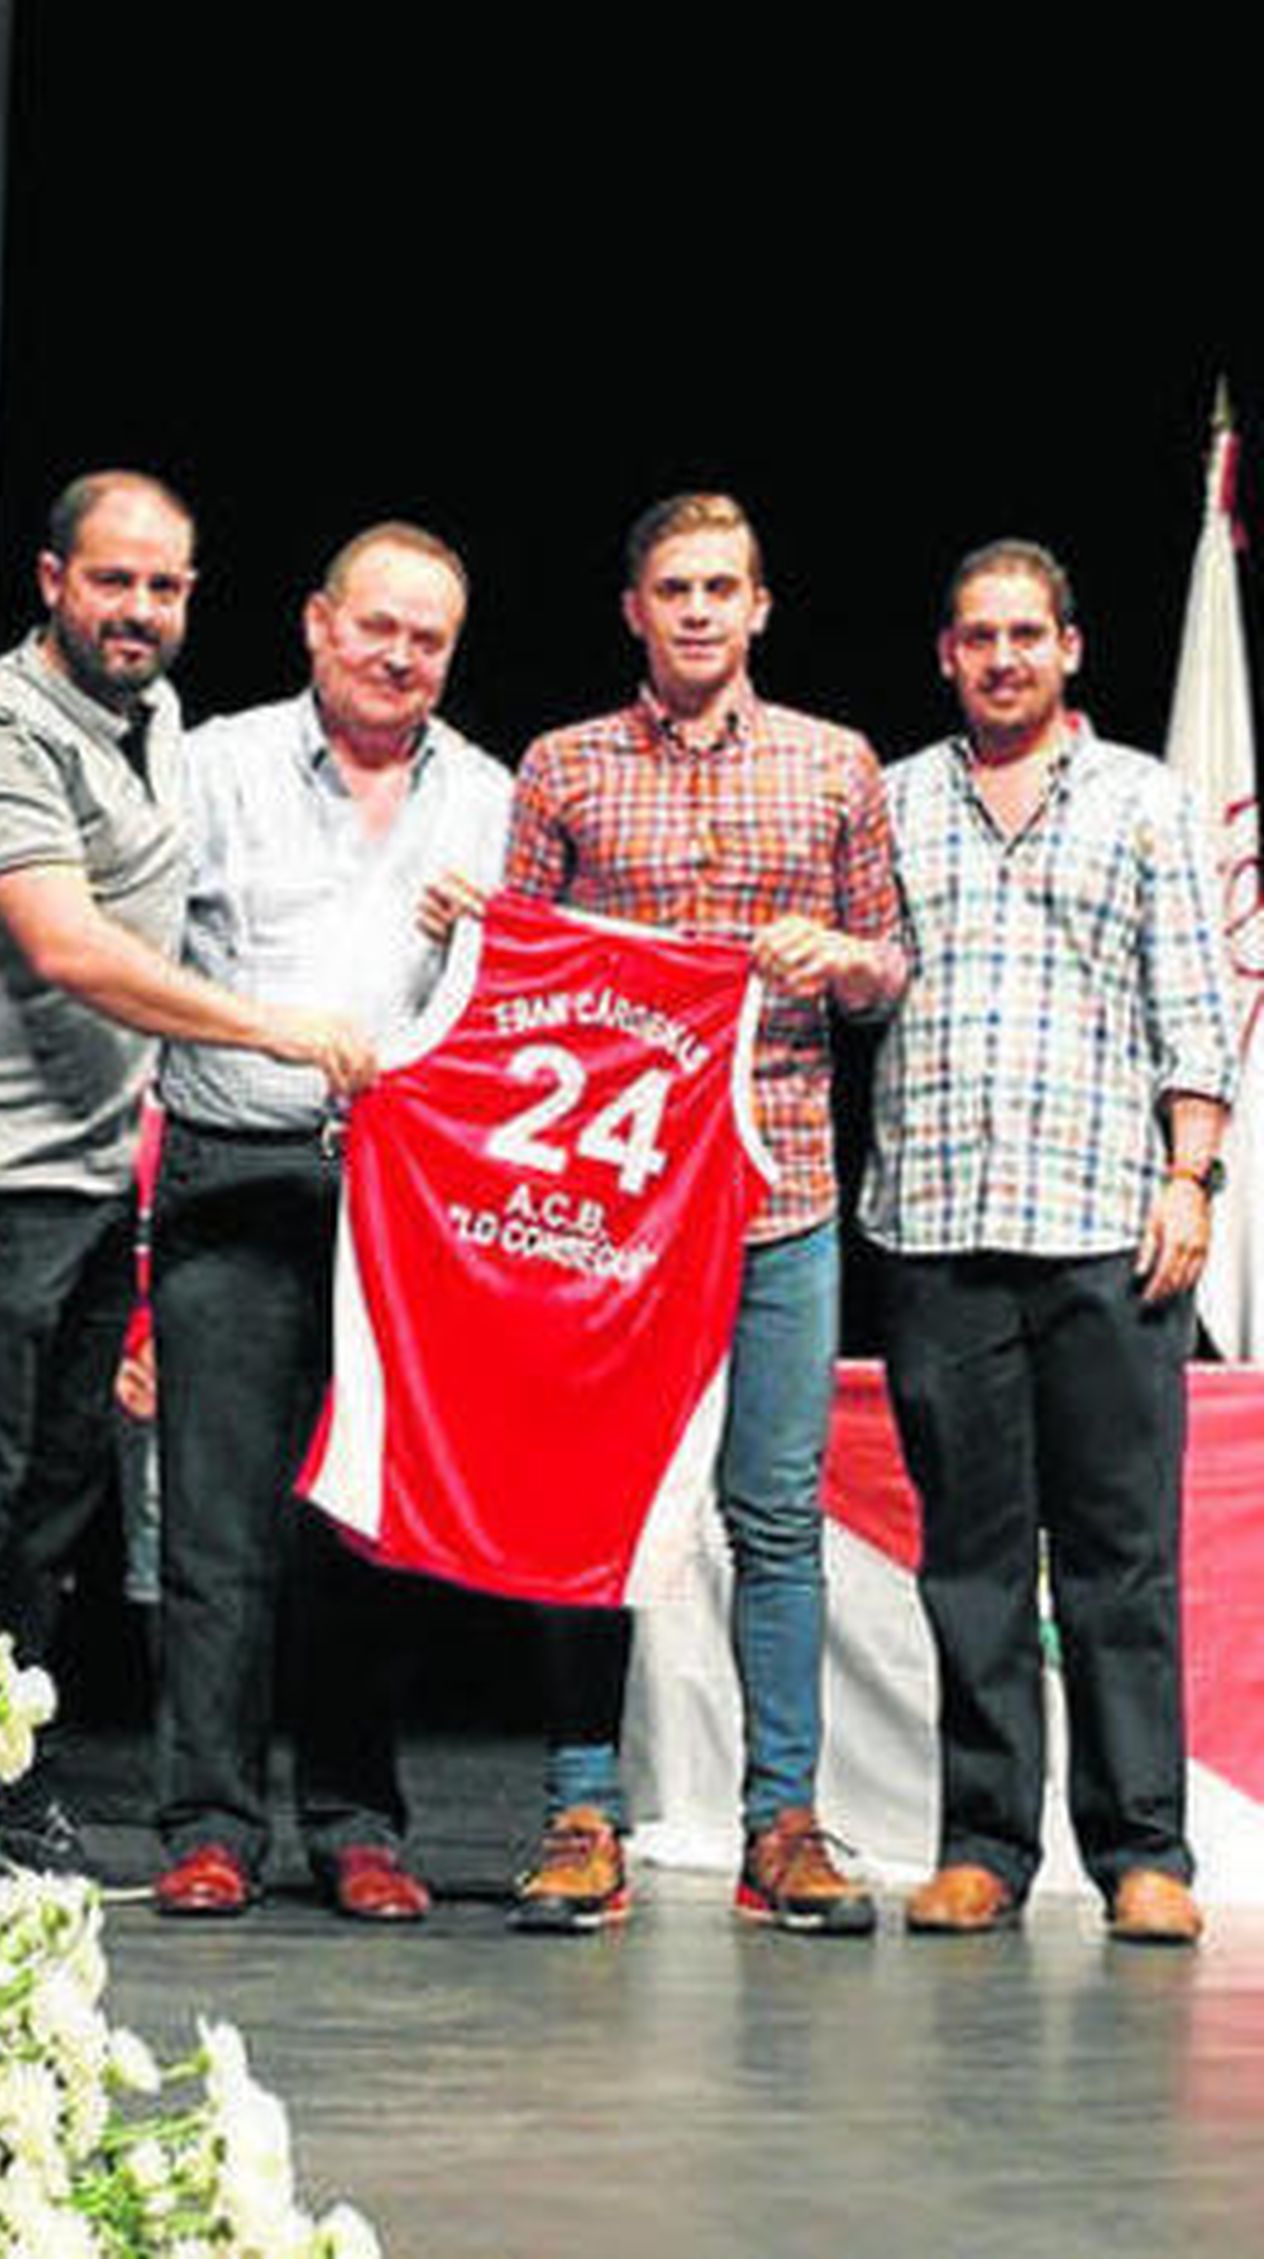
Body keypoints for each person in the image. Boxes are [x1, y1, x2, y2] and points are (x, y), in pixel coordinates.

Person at [0, 470, 372, 1872]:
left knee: (48, 1512)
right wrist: (277, 1029)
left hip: (93, 1173)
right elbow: (70, 947)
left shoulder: (154, 724)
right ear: (52, 582)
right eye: (112, 581)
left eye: (162, 586)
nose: (137, 609)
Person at [486, 491, 906, 1935]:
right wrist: (464, 932)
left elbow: (889, 969)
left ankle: (780, 1820)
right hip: (609, 1198)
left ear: (760, 606)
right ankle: (581, 1808)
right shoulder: (564, 767)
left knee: (774, 1513)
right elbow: (516, 969)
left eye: (722, 588)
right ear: (634, 609)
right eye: (674, 589)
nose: (699, 611)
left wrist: (839, 955)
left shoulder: (835, 762)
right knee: (585, 1502)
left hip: (779, 1187)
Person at [860, 539, 1237, 1945]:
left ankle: (1143, 1850)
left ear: (1070, 647)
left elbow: (1193, 1008)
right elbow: (855, 986)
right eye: (979, 636)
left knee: (1116, 1556)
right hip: (939, 1227)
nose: (1003, 657)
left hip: (1105, 1231)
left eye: (1027, 633)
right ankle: (984, 1844)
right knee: (969, 1562)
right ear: (946, 655)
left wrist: (1191, 1177)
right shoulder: (891, 802)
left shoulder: (1144, 799)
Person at [151, 520, 511, 1923]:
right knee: (216, 1529)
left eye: (429, 639)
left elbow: (529, 1011)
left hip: (403, 1207)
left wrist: (491, 938)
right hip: (234, 1169)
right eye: (378, 626)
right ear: (317, 621)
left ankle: (358, 1822)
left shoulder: (490, 796)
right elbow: (129, 959)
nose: (400, 656)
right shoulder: (213, 764)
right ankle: (209, 1822)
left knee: (363, 1524)